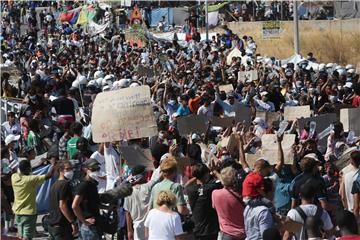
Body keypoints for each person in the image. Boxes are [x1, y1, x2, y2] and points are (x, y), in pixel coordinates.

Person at [11, 159, 55, 240]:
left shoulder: (14, 177)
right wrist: (53, 164)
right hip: (28, 213)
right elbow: (49, 175)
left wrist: (38, 164)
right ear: (28, 169)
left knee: (20, 236)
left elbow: (20, 170)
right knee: (27, 237)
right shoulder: (30, 179)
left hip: (17, 212)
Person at [186, 163, 222, 240]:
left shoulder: (190, 189)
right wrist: (214, 171)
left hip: (197, 228)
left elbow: (185, 185)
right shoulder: (210, 188)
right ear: (206, 174)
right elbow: (224, 182)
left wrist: (197, 175)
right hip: (210, 229)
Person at [124, 165, 160, 240]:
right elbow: (159, 175)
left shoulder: (128, 193)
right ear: (143, 175)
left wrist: (129, 231)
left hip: (137, 229)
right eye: (146, 173)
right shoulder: (149, 186)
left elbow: (127, 213)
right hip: (151, 227)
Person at [212, 167, 246, 240]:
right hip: (243, 233)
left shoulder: (215, 194)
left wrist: (215, 172)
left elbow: (214, 207)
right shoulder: (241, 195)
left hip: (227, 234)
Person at [47, 160, 78, 239]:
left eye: (71, 168)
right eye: (67, 169)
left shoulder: (54, 185)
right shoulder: (64, 184)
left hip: (54, 226)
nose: (70, 171)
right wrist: (72, 222)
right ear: (61, 170)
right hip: (62, 227)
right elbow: (62, 205)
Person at [72, 158, 101, 240]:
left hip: (95, 224)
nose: (96, 170)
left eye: (97, 168)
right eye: (93, 168)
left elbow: (93, 203)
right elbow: (74, 205)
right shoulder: (84, 185)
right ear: (85, 169)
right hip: (89, 228)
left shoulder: (93, 183)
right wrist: (84, 221)